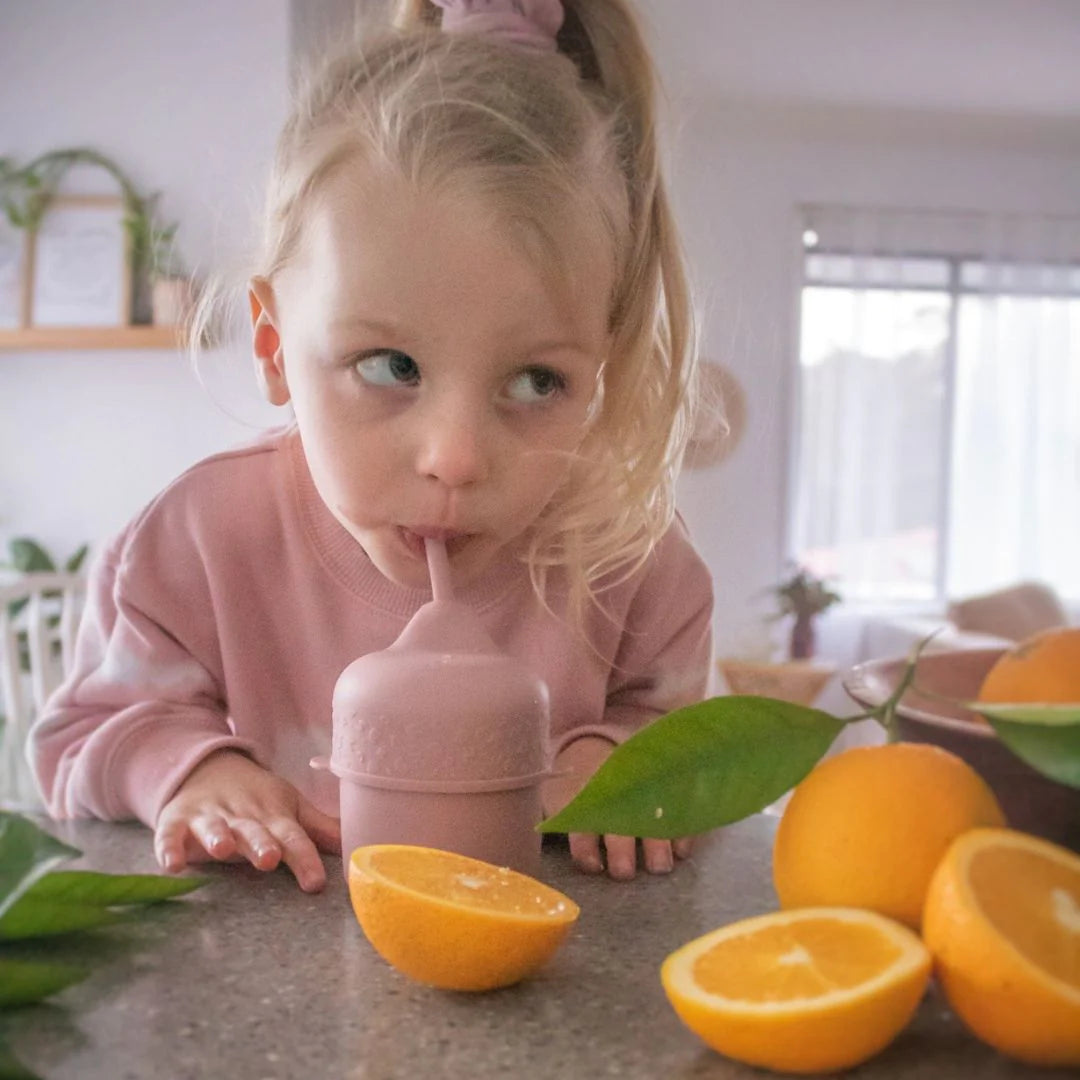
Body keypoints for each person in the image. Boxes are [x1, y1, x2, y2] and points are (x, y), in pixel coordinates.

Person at [30, 0, 714, 893]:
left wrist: (614, 757)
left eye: (536, 382)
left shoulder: (634, 567)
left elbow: (685, 743)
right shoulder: (196, 545)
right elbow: (83, 735)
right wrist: (193, 773)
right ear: (274, 346)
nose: (456, 458)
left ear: (605, 366)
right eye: (389, 365)